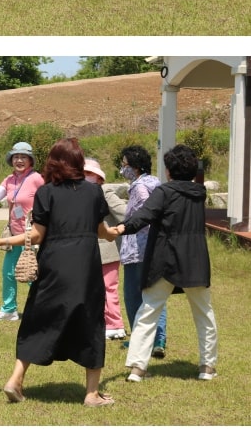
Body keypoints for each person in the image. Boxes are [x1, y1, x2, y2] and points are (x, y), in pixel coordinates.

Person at [0, 138, 114, 407]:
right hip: (85, 265)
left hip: (53, 263)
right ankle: (92, 394)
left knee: (38, 318)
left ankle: (15, 380)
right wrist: (112, 233)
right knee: (90, 321)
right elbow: (100, 230)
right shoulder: (94, 192)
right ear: (79, 162)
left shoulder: (46, 192)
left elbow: (36, 235)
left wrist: (3, 240)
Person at [104, 144, 218, 382]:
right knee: (204, 313)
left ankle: (137, 368)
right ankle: (207, 367)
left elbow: (143, 216)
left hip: (164, 259)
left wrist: (121, 228)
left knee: (148, 311)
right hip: (194, 260)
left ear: (169, 170)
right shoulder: (199, 194)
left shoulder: (164, 192)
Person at [0, 142, 45, 321]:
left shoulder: (37, 178)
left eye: (23, 157)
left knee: (32, 274)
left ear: (30, 160)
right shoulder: (9, 179)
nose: (19, 160)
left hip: (32, 236)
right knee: (8, 272)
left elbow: (49, 200)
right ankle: (9, 310)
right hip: (14, 236)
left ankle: (43, 310)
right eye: (16, 157)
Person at [118, 145, 168, 358]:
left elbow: (144, 215)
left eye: (125, 165)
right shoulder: (156, 184)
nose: (122, 169)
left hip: (137, 248)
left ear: (135, 167)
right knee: (154, 295)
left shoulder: (139, 187)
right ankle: (159, 339)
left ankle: (140, 340)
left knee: (133, 296)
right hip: (154, 246)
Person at [84, 158, 127, 340]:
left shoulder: (105, 191)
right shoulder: (80, 193)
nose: (85, 176)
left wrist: (118, 229)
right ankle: (99, 323)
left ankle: (115, 325)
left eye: (89, 173)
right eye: (82, 173)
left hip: (107, 248)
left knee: (108, 287)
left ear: (99, 177)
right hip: (88, 249)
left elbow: (125, 212)